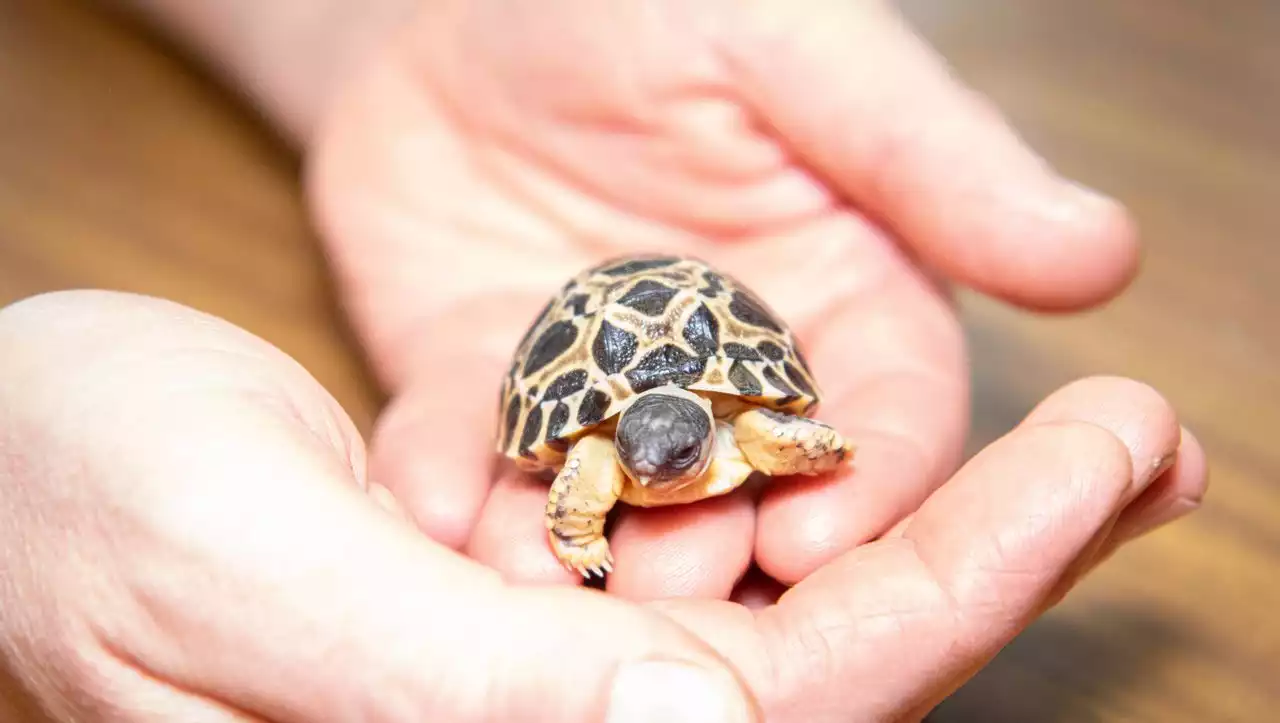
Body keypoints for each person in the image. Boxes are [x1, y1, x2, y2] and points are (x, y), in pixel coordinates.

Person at [0, 1, 1208, 721]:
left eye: (674, 452)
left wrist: (397, 26)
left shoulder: (729, 430)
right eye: (641, 460)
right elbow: (590, 478)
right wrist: (579, 534)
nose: (660, 469)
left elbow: (774, 434)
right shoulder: (604, 457)